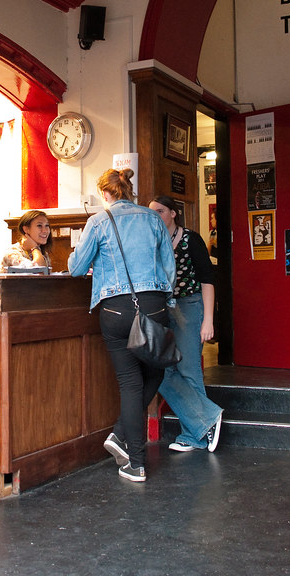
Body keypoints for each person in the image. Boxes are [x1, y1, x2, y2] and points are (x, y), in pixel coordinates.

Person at [68, 168, 175, 483]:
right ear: (129, 190)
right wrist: (165, 302)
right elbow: (168, 268)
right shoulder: (154, 219)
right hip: (154, 305)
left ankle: (135, 462)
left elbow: (76, 268)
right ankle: (120, 437)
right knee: (156, 371)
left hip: (116, 309)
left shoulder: (99, 221)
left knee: (130, 384)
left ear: (105, 193)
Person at [147, 195, 223, 453]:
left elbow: (207, 280)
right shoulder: (153, 242)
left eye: (159, 211)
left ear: (173, 213)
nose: (155, 215)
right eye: (151, 212)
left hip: (189, 307)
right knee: (160, 370)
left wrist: (208, 321)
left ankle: (194, 435)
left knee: (189, 369)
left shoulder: (191, 239)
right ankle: (207, 419)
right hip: (161, 308)